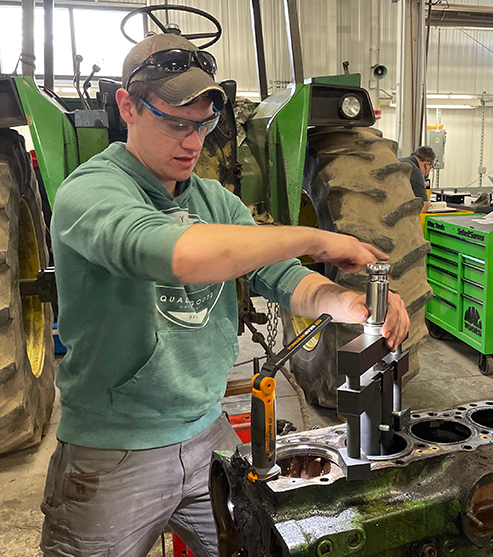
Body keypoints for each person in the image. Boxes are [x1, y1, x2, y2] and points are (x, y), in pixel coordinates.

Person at [41, 33, 410, 557]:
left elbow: (281, 277)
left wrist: (344, 303)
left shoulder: (217, 199)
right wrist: (317, 238)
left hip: (209, 434)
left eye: (204, 125)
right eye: (175, 122)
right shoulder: (92, 191)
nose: (193, 142)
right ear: (127, 105)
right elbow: (182, 256)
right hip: (113, 452)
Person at [399, 146, 436, 213]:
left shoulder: (398, 161)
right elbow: (423, 207)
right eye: (431, 167)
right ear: (427, 165)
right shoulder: (415, 171)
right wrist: (427, 204)